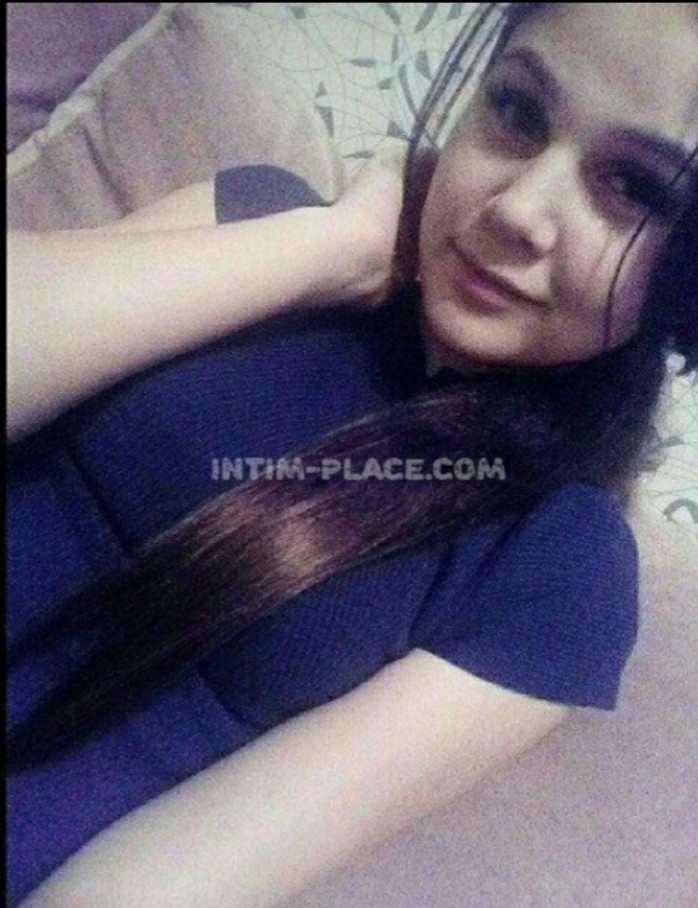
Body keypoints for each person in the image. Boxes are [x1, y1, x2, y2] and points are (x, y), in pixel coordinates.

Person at [7, 3, 698, 906]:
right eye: (518, 111)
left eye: (635, 188)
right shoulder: (260, 217)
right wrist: (332, 246)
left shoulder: (561, 575)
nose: (519, 210)